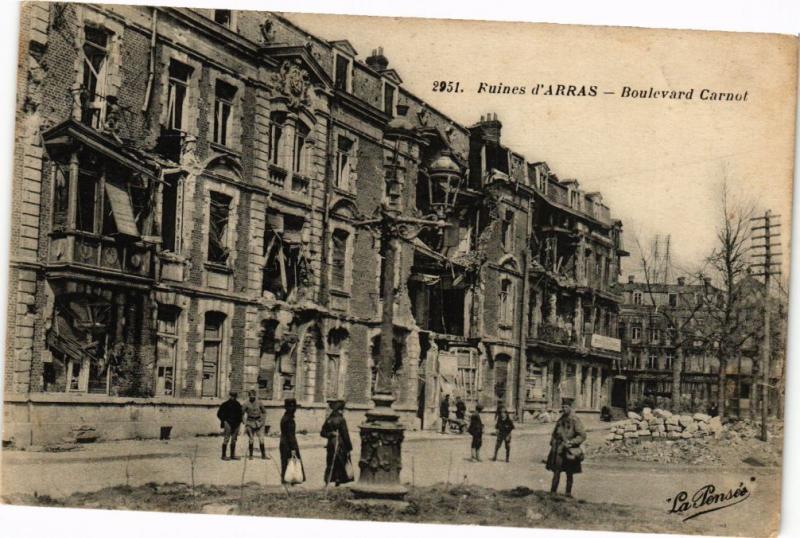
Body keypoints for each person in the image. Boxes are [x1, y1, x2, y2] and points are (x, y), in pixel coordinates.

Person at [546, 398, 586, 497]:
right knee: (556, 471)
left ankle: (568, 493)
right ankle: (553, 492)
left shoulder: (575, 419)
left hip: (568, 450)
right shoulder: (560, 419)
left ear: (570, 408)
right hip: (559, 449)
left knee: (569, 472)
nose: (564, 409)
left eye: (566, 407)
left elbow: (582, 435)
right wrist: (552, 441)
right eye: (563, 407)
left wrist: (571, 442)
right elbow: (555, 432)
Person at [320, 399, 353, 486]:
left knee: (330, 462)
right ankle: (338, 480)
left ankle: (327, 480)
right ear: (340, 410)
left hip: (330, 443)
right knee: (340, 462)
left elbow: (322, 433)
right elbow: (345, 435)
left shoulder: (329, 419)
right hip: (340, 444)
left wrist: (330, 434)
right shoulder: (341, 420)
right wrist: (349, 447)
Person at [279, 398, 305, 484]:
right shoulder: (289, 420)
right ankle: (290, 480)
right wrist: (294, 450)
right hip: (288, 444)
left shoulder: (285, 417)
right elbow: (291, 436)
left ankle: (285, 480)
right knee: (292, 462)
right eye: (293, 408)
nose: (295, 410)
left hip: (283, 443)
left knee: (285, 462)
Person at [217, 390, 243, 461]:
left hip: (236, 424)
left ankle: (232, 455)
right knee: (226, 438)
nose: (233, 397)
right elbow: (219, 414)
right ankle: (223, 455)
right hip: (228, 423)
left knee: (234, 439)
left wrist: (240, 421)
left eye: (234, 396)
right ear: (230, 396)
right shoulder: (225, 404)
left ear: (236, 396)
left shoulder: (238, 404)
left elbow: (241, 414)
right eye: (232, 396)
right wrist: (224, 421)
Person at [243, 389, 269, 460]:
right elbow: (241, 413)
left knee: (261, 439)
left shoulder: (259, 402)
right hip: (250, 422)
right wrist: (244, 421)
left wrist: (263, 420)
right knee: (251, 439)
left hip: (259, 422)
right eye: (251, 396)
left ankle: (263, 455)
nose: (252, 398)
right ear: (248, 396)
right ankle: (251, 455)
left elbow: (264, 412)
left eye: (253, 396)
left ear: (255, 396)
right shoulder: (245, 403)